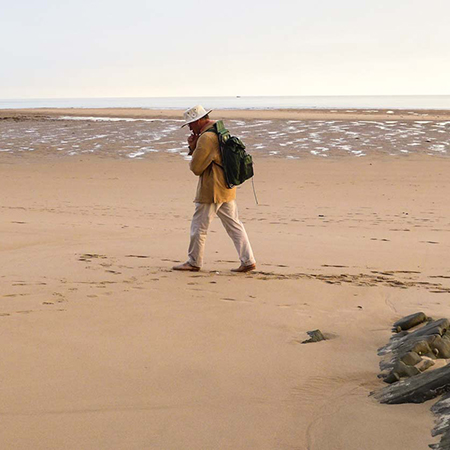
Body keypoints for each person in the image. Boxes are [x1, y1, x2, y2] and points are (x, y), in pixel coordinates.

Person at [173, 105, 256, 273]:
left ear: (198, 121)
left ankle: (194, 262)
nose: (189, 127)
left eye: (190, 123)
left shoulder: (206, 138)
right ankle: (248, 261)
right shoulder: (221, 132)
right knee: (234, 225)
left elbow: (196, 168)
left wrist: (192, 147)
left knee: (198, 227)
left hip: (212, 190)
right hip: (226, 187)